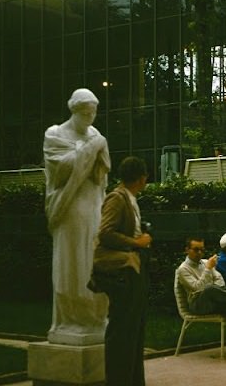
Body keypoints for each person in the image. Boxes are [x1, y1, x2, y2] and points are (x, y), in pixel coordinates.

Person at [43, 88, 109, 344]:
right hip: (69, 206)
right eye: (85, 113)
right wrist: (88, 151)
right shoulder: (55, 134)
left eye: (93, 112)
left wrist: (94, 153)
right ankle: (71, 318)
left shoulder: (96, 136)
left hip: (93, 203)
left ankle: (94, 315)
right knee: (72, 261)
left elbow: (102, 173)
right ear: (74, 111)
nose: (90, 118)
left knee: (93, 257)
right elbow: (60, 171)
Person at [90, 156, 152, 386]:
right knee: (122, 332)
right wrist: (137, 242)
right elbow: (105, 233)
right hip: (122, 273)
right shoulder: (117, 199)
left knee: (134, 332)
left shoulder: (129, 199)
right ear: (142, 178)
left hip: (133, 271)